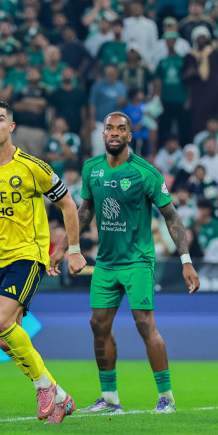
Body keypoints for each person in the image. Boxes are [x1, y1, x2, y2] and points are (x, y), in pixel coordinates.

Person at [50, 112, 200, 415]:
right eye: (110, 128)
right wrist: (64, 248)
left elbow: (171, 216)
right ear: (103, 134)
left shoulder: (146, 173)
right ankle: (110, 399)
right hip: (106, 262)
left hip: (137, 261)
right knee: (98, 324)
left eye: (121, 129)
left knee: (145, 324)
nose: (115, 133)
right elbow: (85, 212)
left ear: (130, 136)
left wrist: (186, 260)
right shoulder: (92, 168)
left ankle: (166, 398)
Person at [0, 100, 86, 425]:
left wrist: (73, 249)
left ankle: (44, 387)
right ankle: (60, 396)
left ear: (11, 126)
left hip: (28, 255)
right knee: (4, 339)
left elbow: (69, 204)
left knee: (0, 319)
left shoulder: (32, 167)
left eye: (0, 119)